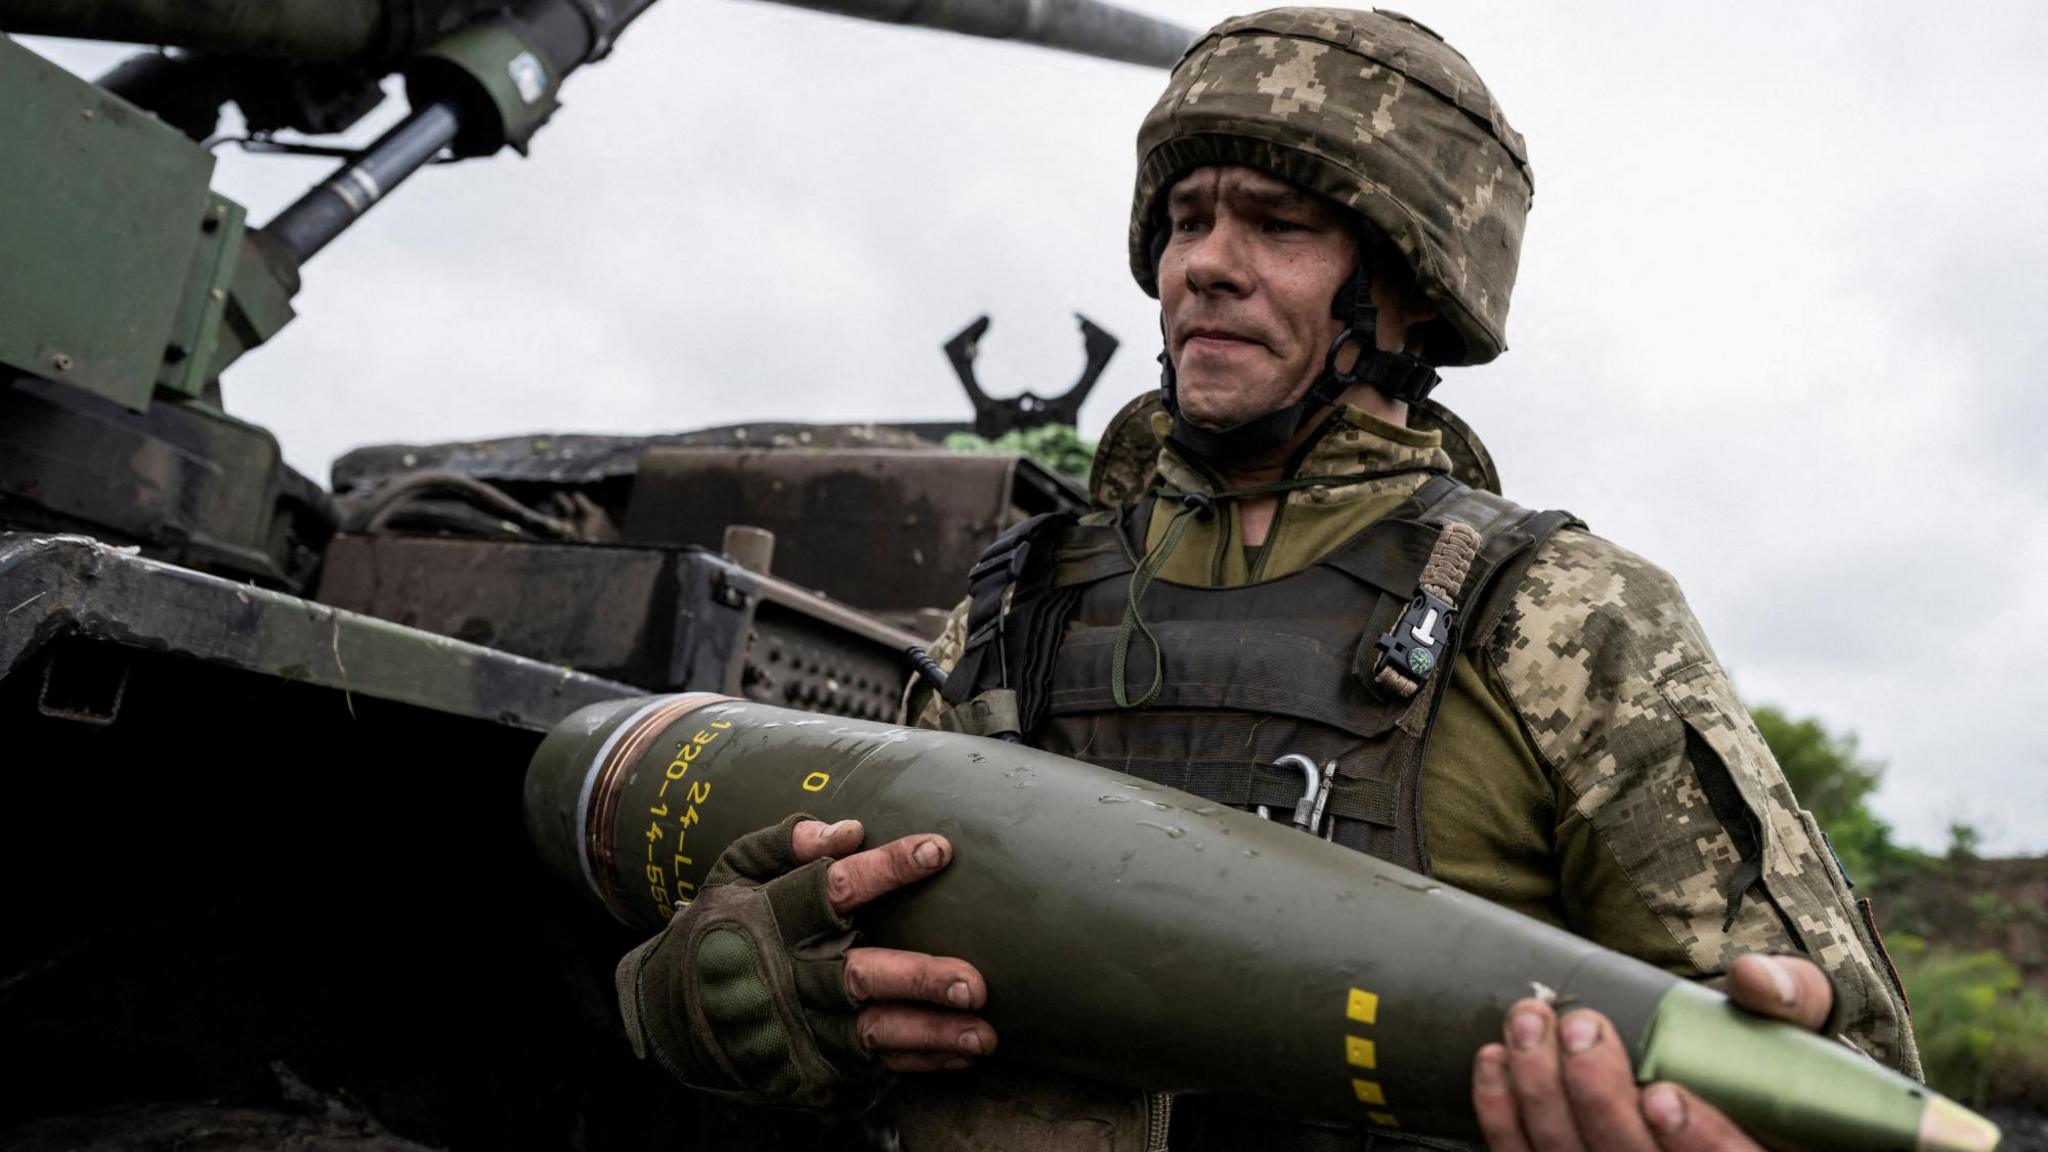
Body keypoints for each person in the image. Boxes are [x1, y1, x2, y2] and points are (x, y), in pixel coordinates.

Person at [612, 9, 1919, 1150]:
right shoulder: (1015, 608)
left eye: (1277, 225)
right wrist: (723, 1000)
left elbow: (1843, 1070)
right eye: (1188, 221)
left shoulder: (1565, 620)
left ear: (1413, 289)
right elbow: (833, 938)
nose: (1204, 266)